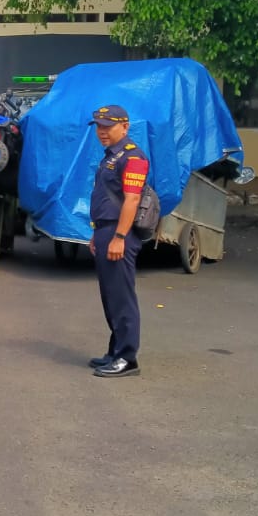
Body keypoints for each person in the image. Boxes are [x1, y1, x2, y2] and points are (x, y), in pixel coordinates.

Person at [86, 104, 148, 379]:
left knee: (122, 298)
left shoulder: (133, 157)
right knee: (110, 297)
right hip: (105, 231)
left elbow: (132, 199)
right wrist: (96, 234)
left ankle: (127, 358)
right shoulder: (110, 156)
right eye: (99, 127)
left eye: (107, 126)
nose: (102, 132)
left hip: (119, 234)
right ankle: (114, 351)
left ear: (125, 126)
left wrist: (119, 237)